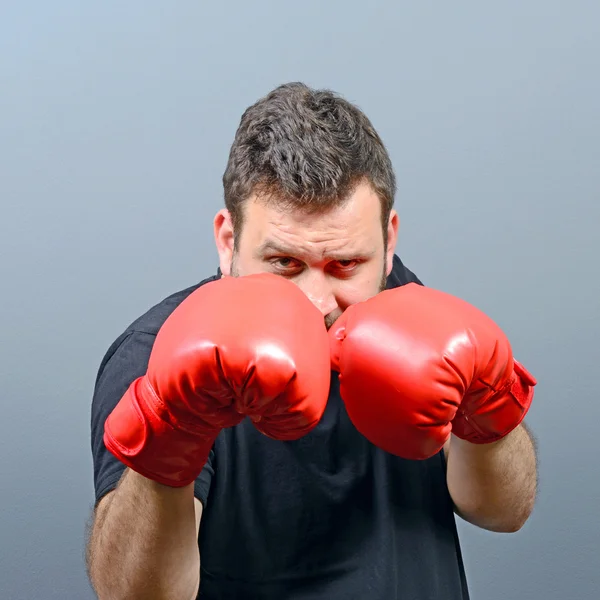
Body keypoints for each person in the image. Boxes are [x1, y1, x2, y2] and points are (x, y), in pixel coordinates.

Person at [86, 82, 539, 600]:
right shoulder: (155, 352)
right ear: (228, 241)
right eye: (285, 263)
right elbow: (136, 596)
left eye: (345, 264)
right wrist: (172, 429)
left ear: (389, 240)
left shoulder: (419, 318)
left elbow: (505, 512)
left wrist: (491, 405)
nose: (318, 300)